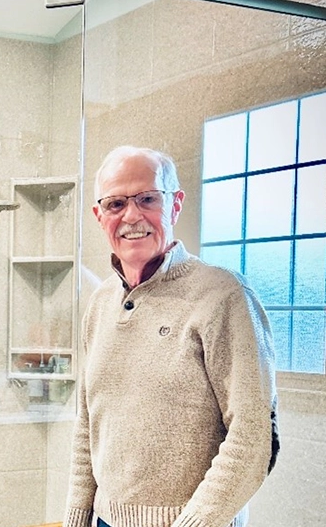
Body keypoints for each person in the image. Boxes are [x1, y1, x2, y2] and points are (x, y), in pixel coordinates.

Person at [64, 146, 278, 527]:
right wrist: (77, 517)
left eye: (148, 199)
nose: (132, 216)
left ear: (175, 204)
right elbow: (88, 427)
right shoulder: (99, 304)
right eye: (115, 204)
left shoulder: (223, 296)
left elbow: (254, 438)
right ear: (99, 216)